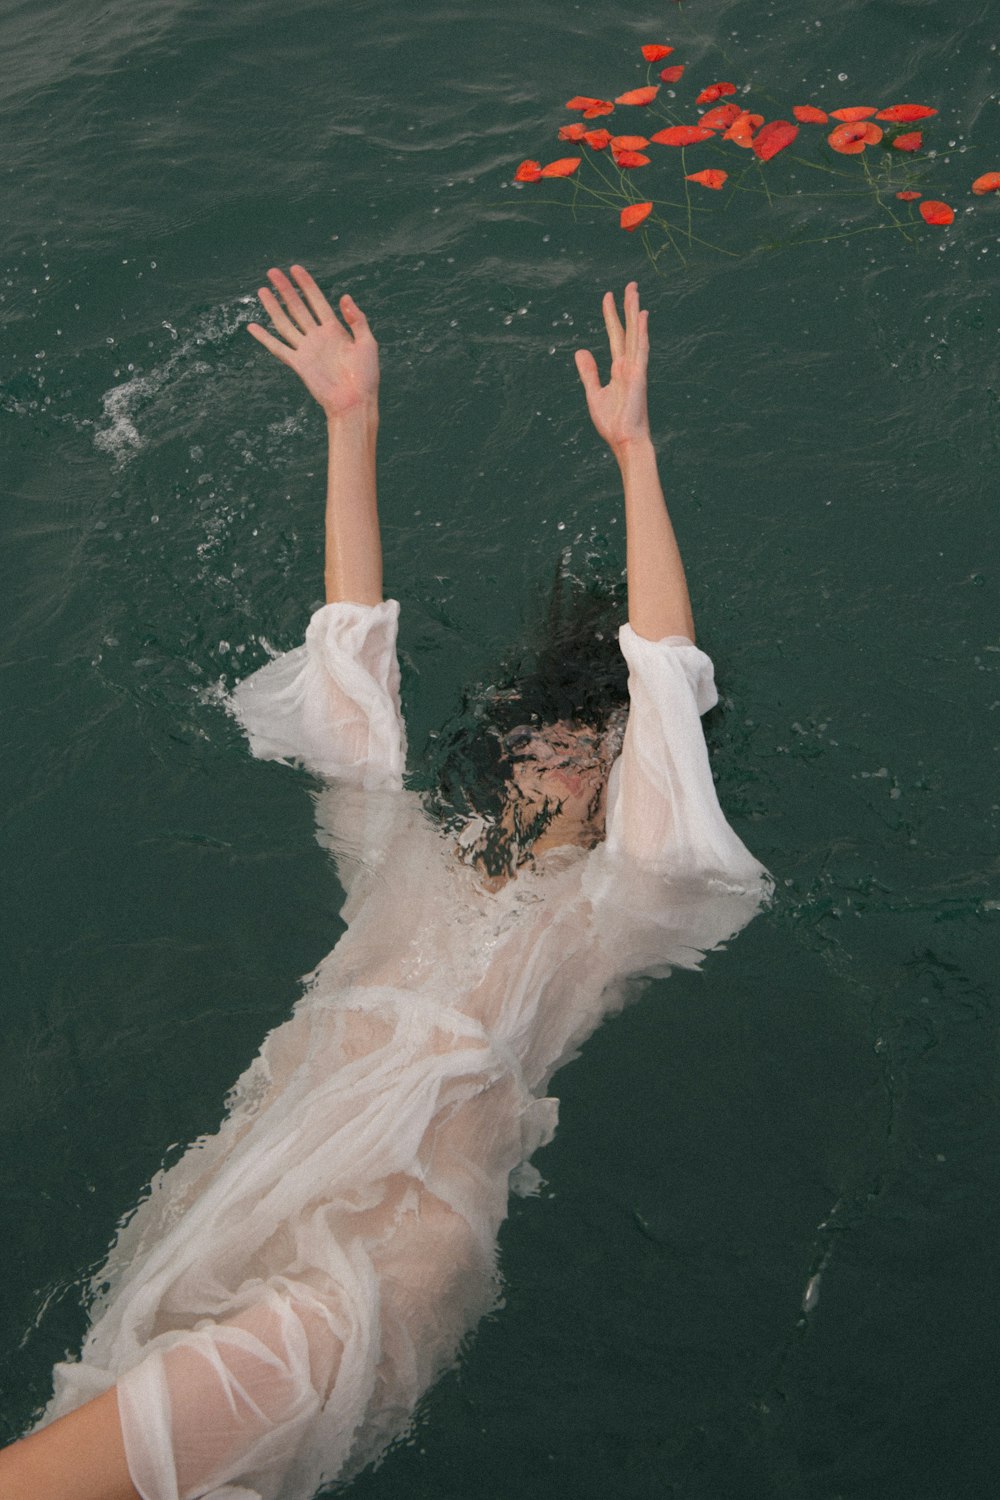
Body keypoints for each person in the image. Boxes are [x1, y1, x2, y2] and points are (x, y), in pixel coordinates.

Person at [0, 269, 770, 1500]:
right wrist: (349, 424)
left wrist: (633, 453)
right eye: (543, 734)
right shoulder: (397, 855)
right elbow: (354, 666)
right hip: (238, 1197)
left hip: (382, 1265)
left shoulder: (621, 907)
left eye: (594, 744)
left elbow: (666, 682)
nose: (560, 756)